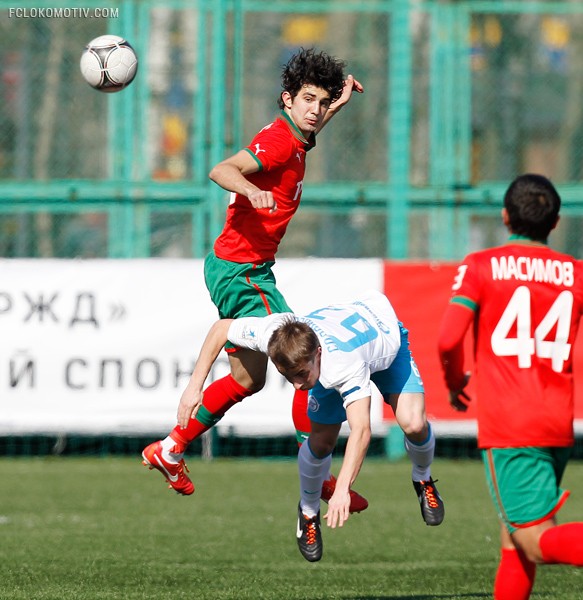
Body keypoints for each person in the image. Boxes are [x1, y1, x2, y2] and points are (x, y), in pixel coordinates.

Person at [142, 48, 368, 512]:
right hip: (244, 272)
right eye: (308, 99)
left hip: (237, 267)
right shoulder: (279, 142)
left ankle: (170, 448)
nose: (315, 109)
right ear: (287, 99)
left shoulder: (295, 136)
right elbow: (220, 169)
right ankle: (320, 473)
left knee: (249, 378)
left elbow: (303, 136)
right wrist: (250, 188)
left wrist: (336, 107)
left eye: (322, 102)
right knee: (303, 354)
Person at [172, 289, 445, 562]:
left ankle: (422, 478)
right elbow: (221, 330)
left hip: (384, 341)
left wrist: (341, 490)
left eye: (301, 374)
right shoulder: (272, 332)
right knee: (321, 443)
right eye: (288, 376)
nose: (298, 385)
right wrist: (194, 387)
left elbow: (361, 430)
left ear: (317, 353)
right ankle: (308, 512)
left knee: (413, 423)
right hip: (339, 344)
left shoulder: (342, 366)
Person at [437, 174, 583, 600]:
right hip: (557, 421)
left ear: (505, 217)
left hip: (511, 423)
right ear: (555, 223)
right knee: (512, 537)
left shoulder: (482, 265)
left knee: (531, 540)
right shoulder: (575, 272)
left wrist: (453, 382)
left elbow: (448, 339)